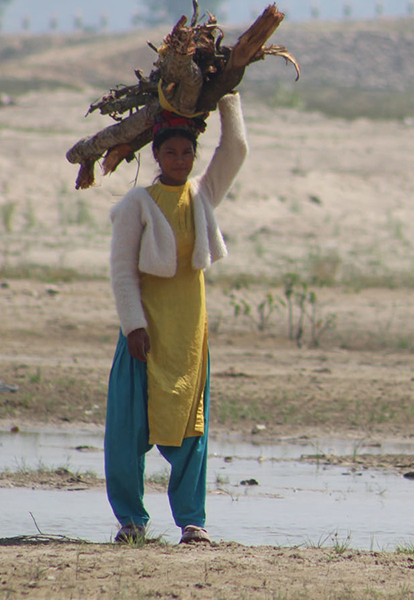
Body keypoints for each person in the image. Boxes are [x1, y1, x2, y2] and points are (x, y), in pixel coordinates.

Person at [104, 92, 248, 545]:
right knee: (128, 431)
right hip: (146, 334)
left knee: (192, 431)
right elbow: (122, 271)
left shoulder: (202, 194)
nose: (180, 159)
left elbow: (237, 149)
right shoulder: (137, 205)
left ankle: (192, 522)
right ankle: (131, 521)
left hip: (189, 333)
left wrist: (227, 92)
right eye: (171, 152)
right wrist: (134, 327)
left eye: (187, 152)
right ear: (156, 155)